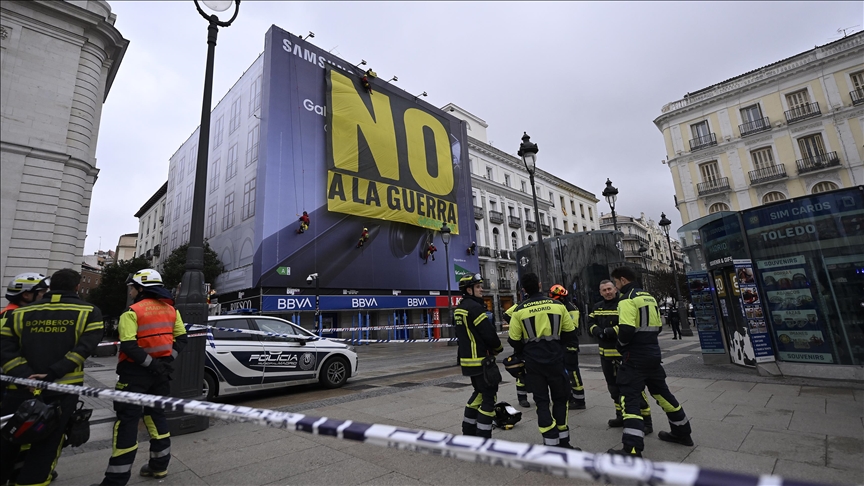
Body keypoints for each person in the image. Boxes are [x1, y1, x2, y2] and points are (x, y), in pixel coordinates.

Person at [0, 269, 103, 486]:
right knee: (47, 443)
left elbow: (5, 350)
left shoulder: (18, 314)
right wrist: (53, 373)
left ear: (50, 287)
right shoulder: (89, 311)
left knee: (8, 439)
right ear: (77, 287)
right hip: (62, 390)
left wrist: (26, 377)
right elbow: (84, 348)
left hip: (18, 389)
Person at [95, 269, 188, 486]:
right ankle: (159, 467)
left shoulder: (132, 312)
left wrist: (151, 365)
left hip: (134, 375)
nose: (130, 291)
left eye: (132, 287)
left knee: (127, 422)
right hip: (160, 375)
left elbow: (129, 345)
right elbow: (182, 339)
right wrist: (164, 364)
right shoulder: (172, 310)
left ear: (141, 288)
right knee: (156, 417)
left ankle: (115, 480)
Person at [605, 266, 693, 457]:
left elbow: (626, 330)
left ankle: (632, 448)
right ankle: (682, 432)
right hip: (653, 353)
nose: (616, 287)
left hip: (634, 356)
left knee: (630, 400)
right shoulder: (649, 297)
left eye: (616, 283)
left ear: (622, 280)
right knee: (662, 394)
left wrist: (621, 345)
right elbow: (659, 327)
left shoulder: (627, 299)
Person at [508, 273, 578, 449]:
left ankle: (550, 442)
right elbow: (570, 333)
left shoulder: (519, 310)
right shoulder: (557, 305)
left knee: (541, 402)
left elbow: (514, 340)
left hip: (533, 363)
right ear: (539, 285)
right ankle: (564, 443)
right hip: (556, 360)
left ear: (523, 289)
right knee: (561, 400)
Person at [588, 280, 652, 431]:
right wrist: (596, 331)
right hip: (606, 356)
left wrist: (612, 331)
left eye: (610, 289)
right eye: (604, 290)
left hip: (624, 355)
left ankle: (646, 420)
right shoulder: (597, 307)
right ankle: (621, 415)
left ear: (615, 289)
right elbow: (590, 322)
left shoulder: (623, 303)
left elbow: (628, 323)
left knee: (634, 387)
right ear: (600, 292)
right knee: (613, 388)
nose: (608, 292)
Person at [455, 273, 503, 439]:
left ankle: (468, 432)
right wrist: (498, 347)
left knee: (478, 393)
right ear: (469, 290)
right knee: (489, 398)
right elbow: (488, 334)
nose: (481, 289)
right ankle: (483, 436)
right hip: (482, 361)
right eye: (478, 287)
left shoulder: (460, 308)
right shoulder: (475, 308)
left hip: (468, 363)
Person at [548, 284, 586, 410]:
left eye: (554, 298)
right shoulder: (560, 307)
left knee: (573, 372)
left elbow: (572, 328)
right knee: (564, 372)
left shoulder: (571, 309)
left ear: (561, 298)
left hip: (570, 345)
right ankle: (570, 396)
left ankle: (580, 399)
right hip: (561, 345)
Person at [503, 304, 530, 408]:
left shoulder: (520, 305)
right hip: (522, 342)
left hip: (526, 341)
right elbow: (506, 315)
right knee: (520, 372)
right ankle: (522, 398)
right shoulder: (520, 305)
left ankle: (527, 396)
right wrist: (515, 323)